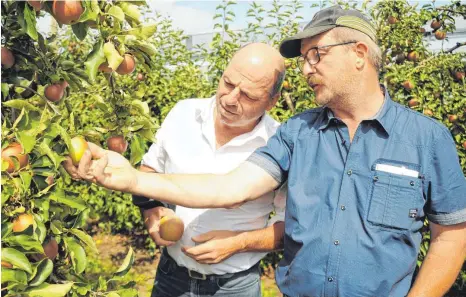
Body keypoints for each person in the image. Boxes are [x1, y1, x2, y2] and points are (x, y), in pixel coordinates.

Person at [63, 5, 466, 297]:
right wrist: (132, 178)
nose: (306, 69)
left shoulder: (427, 139)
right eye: (305, 59)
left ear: (358, 54)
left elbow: (451, 235)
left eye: (315, 55)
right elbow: (230, 187)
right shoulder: (299, 133)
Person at [73, 43, 287, 297]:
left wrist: (239, 244)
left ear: (272, 101)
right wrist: (151, 212)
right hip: (171, 277)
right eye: (228, 83)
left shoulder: (279, 142)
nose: (230, 99)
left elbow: (292, 226)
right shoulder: (184, 113)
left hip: (233, 286)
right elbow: (151, 169)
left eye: (248, 96)